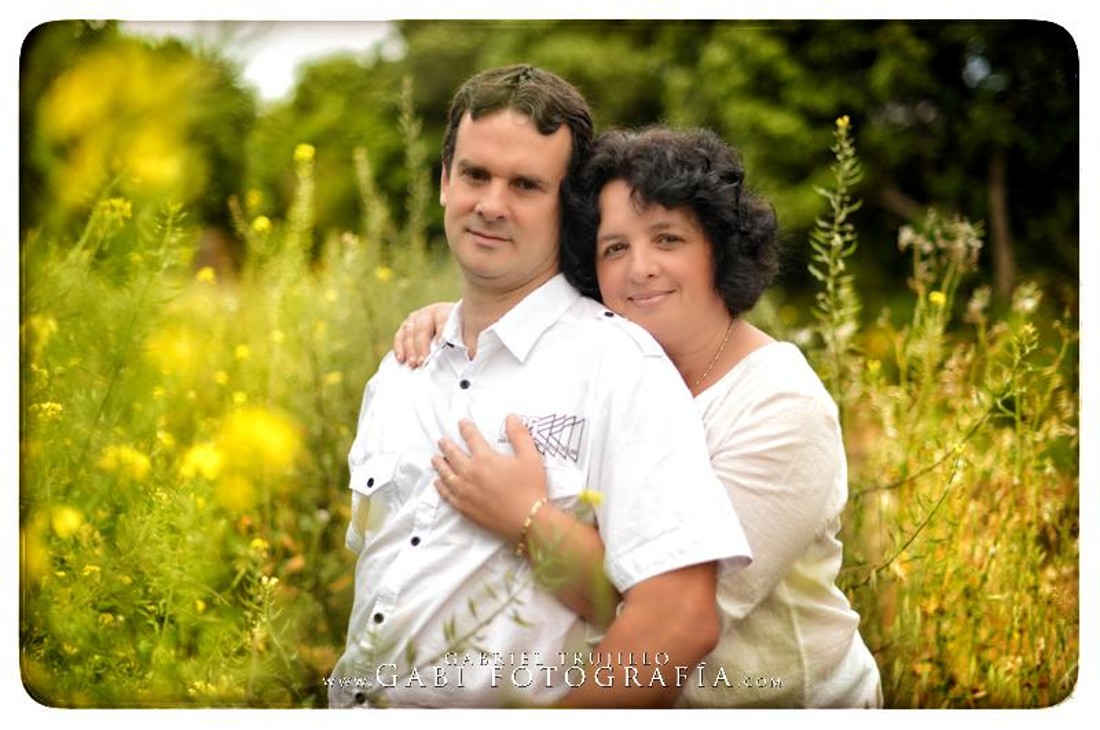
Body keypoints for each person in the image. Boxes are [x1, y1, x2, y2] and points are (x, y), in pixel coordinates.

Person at [394, 125, 883, 708]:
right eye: (615, 248)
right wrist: (464, 318)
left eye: (668, 239)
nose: (639, 268)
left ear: (719, 250)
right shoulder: (599, 367)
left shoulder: (780, 407)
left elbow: (671, 608)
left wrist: (525, 518)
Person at [327, 66, 752, 709]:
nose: (492, 205)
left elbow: (678, 623)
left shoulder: (620, 366)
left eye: (526, 185)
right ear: (444, 182)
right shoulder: (400, 371)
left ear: (565, 208)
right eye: (475, 175)